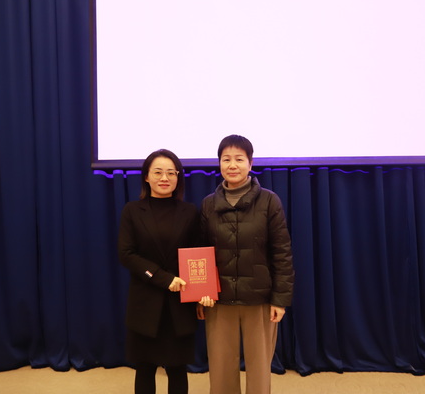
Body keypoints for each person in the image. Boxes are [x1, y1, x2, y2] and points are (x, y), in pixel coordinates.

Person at [197, 135, 295, 394]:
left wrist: (280, 300)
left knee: (260, 369)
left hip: (259, 299)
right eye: (226, 159)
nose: (232, 165)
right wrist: (200, 294)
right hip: (219, 299)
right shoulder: (208, 204)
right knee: (220, 369)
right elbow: (201, 253)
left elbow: (282, 253)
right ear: (219, 163)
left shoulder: (269, 201)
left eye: (239, 159)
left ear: (250, 163)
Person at [118, 149, 215, 394]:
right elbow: (127, 254)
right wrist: (164, 279)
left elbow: (197, 254)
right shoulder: (132, 210)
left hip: (179, 303)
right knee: (144, 368)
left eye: (171, 173)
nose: (165, 178)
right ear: (146, 177)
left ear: (178, 177)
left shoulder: (189, 211)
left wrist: (201, 294)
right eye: (158, 172)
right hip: (145, 301)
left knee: (177, 368)